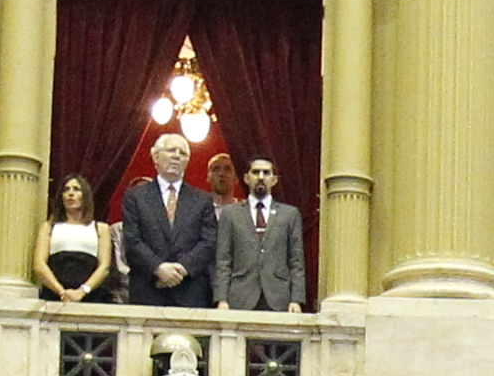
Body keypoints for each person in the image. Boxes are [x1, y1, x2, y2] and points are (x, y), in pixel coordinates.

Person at [118, 131, 219, 307]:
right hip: (148, 289)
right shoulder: (136, 196)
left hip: (189, 291)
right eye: (171, 151)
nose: (176, 157)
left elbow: (208, 242)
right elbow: (132, 241)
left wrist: (181, 269)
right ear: (155, 156)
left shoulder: (202, 200)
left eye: (182, 153)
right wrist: (158, 268)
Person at [219, 154, 308, 312]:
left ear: (274, 180)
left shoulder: (290, 214)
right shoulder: (230, 214)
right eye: (255, 172)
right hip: (239, 298)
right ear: (246, 178)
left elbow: (296, 261)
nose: (261, 177)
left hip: (279, 299)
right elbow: (223, 260)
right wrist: (221, 299)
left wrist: (297, 299)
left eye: (266, 173)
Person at [39, 171, 117, 298]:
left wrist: (82, 291)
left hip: (91, 294)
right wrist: (61, 291)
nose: (71, 193)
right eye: (66, 189)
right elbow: (39, 264)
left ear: (85, 195)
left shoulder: (101, 229)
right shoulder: (49, 227)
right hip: (55, 294)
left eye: (76, 189)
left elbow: (104, 267)